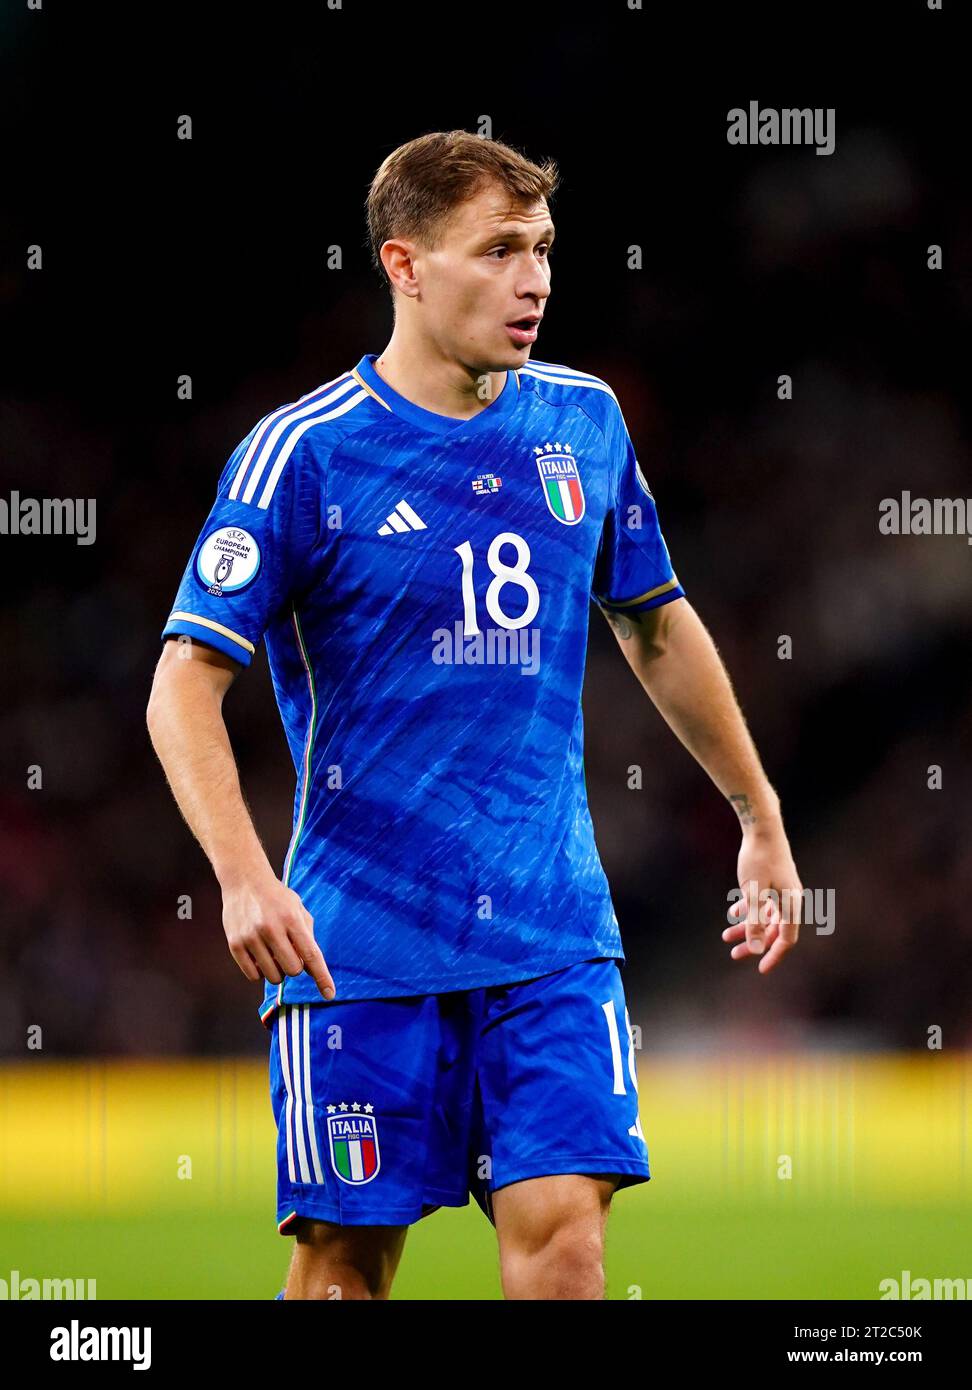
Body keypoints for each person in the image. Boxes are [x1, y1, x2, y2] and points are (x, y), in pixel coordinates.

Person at [147, 129, 802, 1301]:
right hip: (361, 945)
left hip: (550, 931)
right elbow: (182, 683)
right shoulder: (302, 456)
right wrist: (244, 875)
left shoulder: (584, 423)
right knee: (345, 1267)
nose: (535, 279)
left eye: (543, 248)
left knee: (567, 1248)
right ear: (404, 264)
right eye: (498, 250)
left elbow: (654, 621)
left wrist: (759, 813)